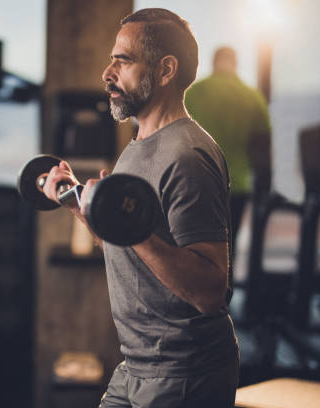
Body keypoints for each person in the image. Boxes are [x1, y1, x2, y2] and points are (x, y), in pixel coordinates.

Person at [43, 8, 239, 408]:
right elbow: (126, 242)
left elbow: (210, 290)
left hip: (184, 372)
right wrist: (77, 202)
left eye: (124, 60)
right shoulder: (136, 147)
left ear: (166, 70)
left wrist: (126, 224)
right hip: (136, 365)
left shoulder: (188, 156)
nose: (107, 72)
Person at [185, 46, 272, 260]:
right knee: (225, 253)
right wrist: (264, 191)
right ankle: (221, 292)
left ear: (214, 63)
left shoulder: (192, 94)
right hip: (235, 188)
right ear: (235, 64)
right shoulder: (253, 98)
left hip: (193, 186)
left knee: (189, 250)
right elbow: (262, 151)